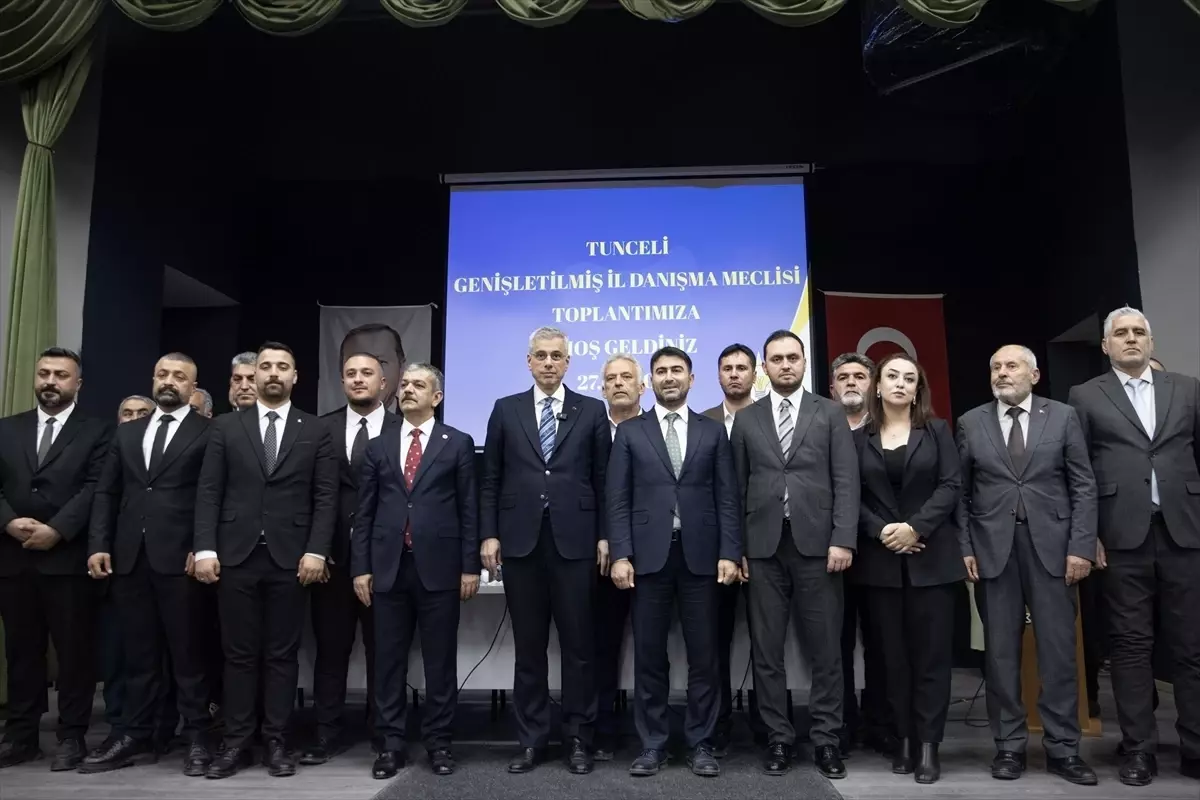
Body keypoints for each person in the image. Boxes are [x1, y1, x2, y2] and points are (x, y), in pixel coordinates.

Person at [193, 342, 339, 779]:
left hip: (292, 559)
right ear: (253, 375)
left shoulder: (316, 429)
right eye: (266, 366)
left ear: (295, 376)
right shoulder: (225, 427)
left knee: (281, 654)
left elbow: (325, 496)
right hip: (235, 556)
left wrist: (316, 550)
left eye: (282, 367)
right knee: (237, 655)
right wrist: (205, 548)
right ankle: (236, 742)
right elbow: (209, 491)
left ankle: (277, 740)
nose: (273, 373)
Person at [1069, 307, 1200, 786]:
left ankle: (1195, 747)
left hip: (1186, 533)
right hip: (1120, 537)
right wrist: (1088, 535)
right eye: (1120, 333)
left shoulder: (1186, 388)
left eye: (1139, 332)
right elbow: (1078, 471)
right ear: (1106, 346)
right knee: (1129, 647)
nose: (1130, 339)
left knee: (1192, 646)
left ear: (1151, 341)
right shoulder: (1085, 395)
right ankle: (1139, 750)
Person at [960, 344, 1099, 786]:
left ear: (1034, 375)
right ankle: (1009, 747)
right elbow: (960, 494)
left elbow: (1083, 485)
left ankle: (1064, 749)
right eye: (996, 367)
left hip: (1054, 550)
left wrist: (1080, 547)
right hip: (993, 551)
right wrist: (965, 547)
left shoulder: (1063, 417)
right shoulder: (970, 422)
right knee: (1001, 655)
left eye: (1012, 366)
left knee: (1058, 652)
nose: (1002, 373)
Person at [480, 326, 610, 774]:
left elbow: (603, 479)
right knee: (529, 649)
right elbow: (490, 477)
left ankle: (578, 739)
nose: (549, 362)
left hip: (577, 542)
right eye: (541, 355)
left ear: (568, 363)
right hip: (521, 543)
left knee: (579, 648)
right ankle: (531, 740)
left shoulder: (591, 410)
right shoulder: (506, 409)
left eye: (557, 356)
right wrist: (489, 534)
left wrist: (605, 535)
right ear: (529, 361)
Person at [730, 329, 858, 780]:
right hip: (763, 549)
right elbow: (736, 489)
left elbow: (846, 480)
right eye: (777, 359)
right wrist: (738, 549)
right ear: (764, 367)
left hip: (820, 548)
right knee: (767, 651)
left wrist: (843, 539)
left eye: (793, 357)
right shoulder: (747, 419)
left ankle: (826, 739)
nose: (785, 365)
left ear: (804, 362)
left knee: (825, 650)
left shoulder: (831, 412)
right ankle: (778, 738)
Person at [608, 346, 742, 778]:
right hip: (648, 559)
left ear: (691, 378)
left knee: (704, 656)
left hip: (702, 557)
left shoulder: (712, 431)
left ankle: (701, 742)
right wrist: (621, 554)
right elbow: (617, 498)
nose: (669, 377)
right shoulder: (631, 432)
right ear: (650, 381)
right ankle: (653, 744)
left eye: (677, 370)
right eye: (661, 371)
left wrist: (730, 552)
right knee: (650, 655)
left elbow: (727, 497)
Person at [83, 353, 214, 776]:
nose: (169, 381)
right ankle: (134, 734)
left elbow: (212, 494)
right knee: (138, 654)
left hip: (181, 559)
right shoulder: (128, 432)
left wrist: (203, 546)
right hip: (129, 557)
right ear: (153, 380)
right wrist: (99, 544)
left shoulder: (209, 432)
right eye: (162, 374)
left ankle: (198, 735)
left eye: (179, 376)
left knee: (188, 655)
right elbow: (107, 492)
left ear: (193, 386)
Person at [353, 363, 480, 779]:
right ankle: (390, 745)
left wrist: (469, 566)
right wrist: (361, 567)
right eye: (405, 384)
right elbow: (365, 512)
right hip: (388, 568)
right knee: (388, 662)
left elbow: (469, 509)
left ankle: (439, 743)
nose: (408, 390)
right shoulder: (378, 445)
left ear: (436, 397)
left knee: (439, 662)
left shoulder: (457, 443)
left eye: (418, 385)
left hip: (440, 568)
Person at [0, 348, 111, 771]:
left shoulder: (98, 431)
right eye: (44, 373)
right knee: (21, 652)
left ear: (77, 384)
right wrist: (9, 522)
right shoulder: (7, 428)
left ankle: (72, 736)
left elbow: (96, 488)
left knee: (74, 653)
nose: (51, 381)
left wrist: (58, 529)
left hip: (67, 560)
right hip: (14, 559)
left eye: (61, 375)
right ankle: (21, 736)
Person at [853, 353, 962, 783]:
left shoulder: (937, 431)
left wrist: (915, 528)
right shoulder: (857, 438)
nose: (900, 383)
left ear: (918, 389)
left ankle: (929, 745)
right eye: (892, 376)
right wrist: (882, 530)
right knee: (891, 660)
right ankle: (902, 739)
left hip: (931, 561)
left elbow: (951, 485)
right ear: (877, 386)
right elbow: (850, 495)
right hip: (879, 565)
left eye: (909, 378)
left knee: (931, 658)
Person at [305, 353, 395, 764]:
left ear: (383, 383)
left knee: (384, 651)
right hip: (332, 559)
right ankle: (326, 733)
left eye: (367, 373)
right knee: (330, 650)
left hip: (385, 560)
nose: (358, 380)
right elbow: (309, 494)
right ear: (342, 382)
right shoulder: (320, 428)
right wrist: (316, 547)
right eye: (351, 374)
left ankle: (383, 734)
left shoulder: (402, 429)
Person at [701, 343, 764, 753]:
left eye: (742, 367)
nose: (735, 374)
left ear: (755, 374)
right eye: (728, 368)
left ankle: (767, 724)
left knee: (767, 641)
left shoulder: (770, 417)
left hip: (765, 548)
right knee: (715, 642)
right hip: (715, 552)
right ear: (718, 375)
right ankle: (718, 722)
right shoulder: (702, 422)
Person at [829, 352, 890, 756]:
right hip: (832, 553)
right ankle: (843, 724)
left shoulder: (889, 428)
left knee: (880, 642)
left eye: (860, 376)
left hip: (879, 552)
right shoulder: (821, 426)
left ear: (874, 385)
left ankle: (879, 723)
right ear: (832, 387)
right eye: (843, 377)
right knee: (836, 645)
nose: (851, 382)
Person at [593, 353, 644, 759]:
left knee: (653, 647)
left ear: (642, 387)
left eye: (627, 377)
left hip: (655, 553)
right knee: (602, 646)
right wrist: (604, 536)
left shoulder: (657, 428)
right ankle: (603, 731)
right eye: (611, 379)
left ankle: (653, 735)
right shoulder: (590, 430)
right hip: (602, 557)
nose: (619, 383)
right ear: (602, 388)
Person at [340, 323, 405, 412]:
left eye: (381, 362)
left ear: (401, 367)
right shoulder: (326, 421)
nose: (361, 378)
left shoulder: (414, 420)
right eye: (355, 363)